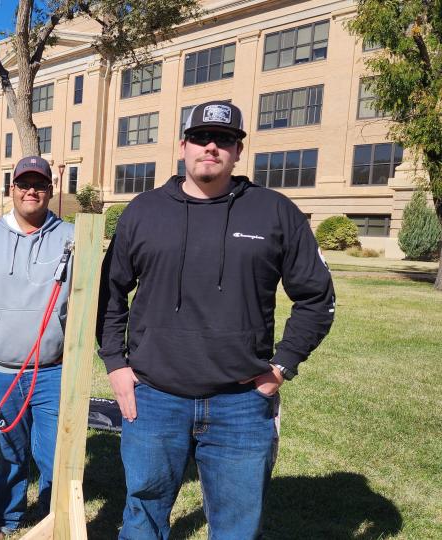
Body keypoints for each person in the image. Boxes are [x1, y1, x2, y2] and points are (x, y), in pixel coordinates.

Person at [97, 101, 336, 539]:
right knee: (142, 517)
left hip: (241, 404)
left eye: (224, 139)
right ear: (183, 145)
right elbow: (108, 294)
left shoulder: (275, 212)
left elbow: (317, 298)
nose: (212, 146)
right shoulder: (143, 211)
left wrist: (281, 366)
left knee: (236, 527)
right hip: (153, 398)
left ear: (238, 150)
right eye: (202, 138)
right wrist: (116, 364)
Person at [0, 156, 74, 540]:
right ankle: (6, 521)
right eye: (24, 183)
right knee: (10, 450)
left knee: (55, 454)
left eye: (39, 184)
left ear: (51, 191)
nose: (31, 190)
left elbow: (92, 299)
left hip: (53, 370)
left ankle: (53, 520)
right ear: (12, 190)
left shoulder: (72, 238)